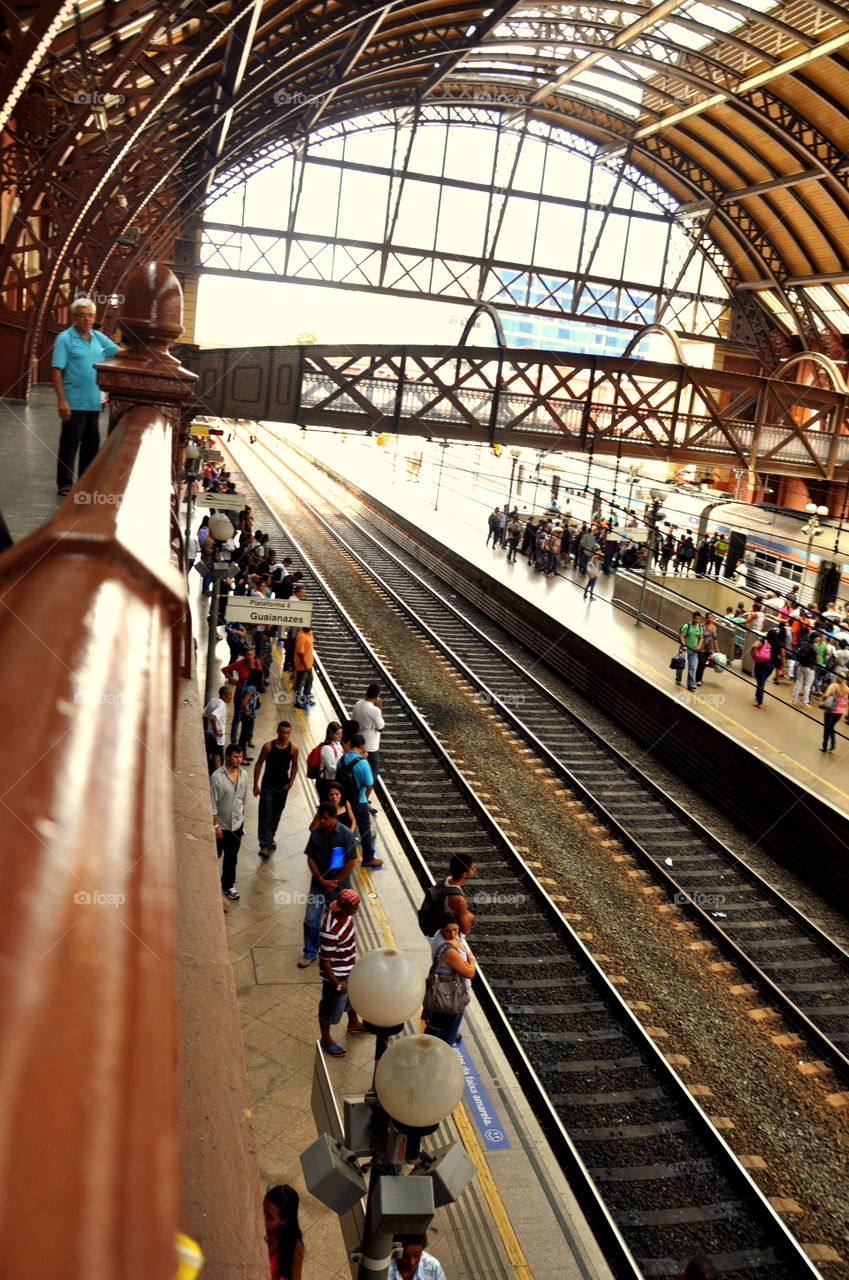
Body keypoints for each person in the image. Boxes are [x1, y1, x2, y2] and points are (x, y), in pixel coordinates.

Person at [51, 297, 121, 497]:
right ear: (74, 317)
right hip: (73, 401)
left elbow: (118, 352)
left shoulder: (98, 338)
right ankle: (64, 483)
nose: (87, 320)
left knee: (91, 444)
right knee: (70, 443)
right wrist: (61, 400)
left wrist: (143, 353)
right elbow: (56, 370)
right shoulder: (65, 339)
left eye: (90, 316)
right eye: (83, 316)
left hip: (94, 402)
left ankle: (85, 482)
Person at [297, 803, 358, 967]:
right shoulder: (316, 833)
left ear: (333, 817)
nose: (322, 821)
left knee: (341, 921)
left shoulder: (346, 835)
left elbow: (351, 862)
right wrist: (321, 880)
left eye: (325, 818)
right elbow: (310, 858)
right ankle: (310, 952)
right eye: (320, 818)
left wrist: (335, 881)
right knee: (311, 919)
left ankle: (338, 952)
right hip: (319, 884)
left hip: (339, 887)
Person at [317, 888, 366, 1055]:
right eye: (356, 906)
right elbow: (324, 961)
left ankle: (354, 1023)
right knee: (330, 1007)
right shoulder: (331, 931)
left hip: (348, 966)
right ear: (346, 908)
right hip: (337, 974)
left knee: (351, 997)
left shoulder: (344, 913)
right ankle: (326, 1039)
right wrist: (337, 984)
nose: (358, 908)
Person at [423, 912, 475, 1047]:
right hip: (449, 990)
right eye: (448, 931)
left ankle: (448, 1036)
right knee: (444, 1020)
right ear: (441, 929)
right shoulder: (449, 951)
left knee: (451, 1017)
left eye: (455, 930)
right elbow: (469, 973)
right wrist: (471, 958)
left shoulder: (439, 935)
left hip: (451, 987)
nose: (452, 934)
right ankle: (439, 1044)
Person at [336, 735, 383, 869]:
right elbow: (369, 783)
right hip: (359, 801)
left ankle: (340, 858)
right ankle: (368, 858)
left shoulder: (343, 759)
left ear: (351, 744)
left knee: (344, 828)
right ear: (362, 747)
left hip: (344, 801)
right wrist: (365, 798)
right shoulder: (363, 763)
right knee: (364, 830)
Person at [210, 743, 248, 901]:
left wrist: (241, 819)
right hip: (221, 826)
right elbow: (212, 804)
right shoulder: (217, 777)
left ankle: (228, 885)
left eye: (240, 756)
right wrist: (216, 826)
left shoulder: (244, 775)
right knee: (215, 855)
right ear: (227, 757)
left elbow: (243, 800)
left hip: (237, 825)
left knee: (232, 857)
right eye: (235, 756)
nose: (239, 759)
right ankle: (209, 883)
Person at [254, 721, 299, 856]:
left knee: (276, 815)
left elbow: (295, 766)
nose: (285, 735)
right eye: (282, 732)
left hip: (282, 787)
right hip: (268, 786)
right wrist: (255, 784)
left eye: (287, 733)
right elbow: (259, 763)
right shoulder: (268, 746)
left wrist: (290, 783)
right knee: (265, 815)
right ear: (277, 731)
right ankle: (265, 845)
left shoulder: (293, 749)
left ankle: (269, 838)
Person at [350, 684, 385, 804]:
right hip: (371, 747)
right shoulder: (374, 710)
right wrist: (380, 710)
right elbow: (380, 728)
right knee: (371, 776)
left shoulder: (358, 704)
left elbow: (353, 722)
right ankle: (363, 800)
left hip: (358, 744)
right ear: (377, 697)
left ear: (366, 692)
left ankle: (356, 797)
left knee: (357, 773)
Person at [263, 1184, 304, 1280]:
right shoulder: (253, 1229)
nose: (262, 1219)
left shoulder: (294, 1248)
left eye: (269, 1217)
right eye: (262, 1210)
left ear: (284, 1220)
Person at [202, 685, 233, 774]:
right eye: (229, 695)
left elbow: (204, 715)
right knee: (218, 761)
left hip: (209, 736)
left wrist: (206, 730)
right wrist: (216, 731)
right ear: (223, 695)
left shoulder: (213, 700)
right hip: (218, 739)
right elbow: (212, 717)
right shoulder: (222, 704)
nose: (231, 697)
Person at [316, 720, 344, 802]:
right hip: (326, 782)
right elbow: (331, 769)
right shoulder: (327, 748)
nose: (340, 736)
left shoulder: (338, 744)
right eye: (337, 734)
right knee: (326, 807)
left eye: (341, 733)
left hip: (333, 781)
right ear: (330, 735)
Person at [676, 611, 703, 692]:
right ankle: (678, 679)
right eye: (696, 618)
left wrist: (699, 646)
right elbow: (681, 636)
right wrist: (684, 645)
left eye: (699, 619)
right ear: (693, 618)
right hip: (685, 649)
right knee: (681, 666)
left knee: (692, 667)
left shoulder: (700, 627)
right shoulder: (687, 626)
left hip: (694, 651)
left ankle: (690, 685)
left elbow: (701, 637)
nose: (697, 620)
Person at [751, 625, 778, 708]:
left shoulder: (764, 640)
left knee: (760, 683)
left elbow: (754, 646)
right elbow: (783, 654)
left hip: (761, 664)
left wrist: (753, 655)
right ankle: (757, 695)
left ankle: (760, 702)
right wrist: (783, 667)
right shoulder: (777, 643)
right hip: (771, 666)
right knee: (761, 681)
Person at [790, 629, 818, 707]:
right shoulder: (814, 647)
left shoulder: (804, 644)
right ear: (814, 639)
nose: (818, 639)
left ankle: (793, 700)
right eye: (817, 638)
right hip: (810, 668)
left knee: (798, 682)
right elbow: (817, 659)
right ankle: (805, 703)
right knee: (807, 685)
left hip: (801, 665)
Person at [820, 674, 847, 752]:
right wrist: (845, 704)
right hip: (840, 712)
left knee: (827, 728)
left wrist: (823, 698)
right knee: (831, 727)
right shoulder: (846, 688)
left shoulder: (833, 686)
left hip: (830, 710)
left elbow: (826, 695)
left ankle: (824, 746)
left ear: (837, 678)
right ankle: (833, 745)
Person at [293, 625, 315, 707]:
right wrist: (305, 665)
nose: (309, 627)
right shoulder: (302, 636)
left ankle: (306, 698)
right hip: (303, 666)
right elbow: (300, 653)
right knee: (300, 684)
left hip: (308, 664)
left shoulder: (308, 634)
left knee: (309, 681)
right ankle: (296, 701)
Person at [695, 612, 718, 686]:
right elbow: (698, 636)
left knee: (704, 664)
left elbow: (715, 638)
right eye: (708, 617)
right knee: (701, 662)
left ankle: (699, 678)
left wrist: (717, 649)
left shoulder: (714, 627)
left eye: (711, 617)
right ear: (706, 618)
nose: (710, 619)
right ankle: (698, 680)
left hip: (709, 649)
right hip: (702, 648)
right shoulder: (701, 626)